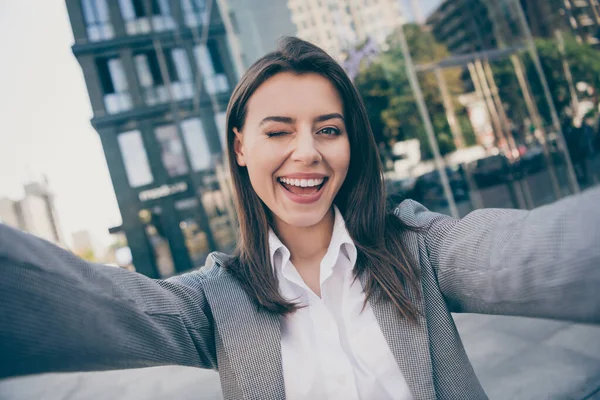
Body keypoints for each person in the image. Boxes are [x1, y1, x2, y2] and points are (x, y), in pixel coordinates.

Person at [1, 37, 599, 400]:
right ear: (240, 148)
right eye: (278, 131)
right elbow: (84, 308)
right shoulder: (215, 302)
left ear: (351, 144)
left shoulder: (420, 250)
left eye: (328, 130)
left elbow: (543, 252)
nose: (307, 151)